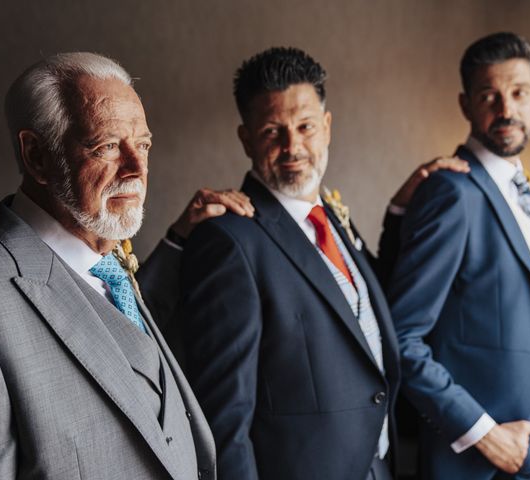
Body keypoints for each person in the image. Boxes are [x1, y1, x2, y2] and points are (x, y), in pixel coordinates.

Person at [166, 46, 471, 480]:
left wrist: (404, 211)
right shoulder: (228, 240)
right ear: (246, 138)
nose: (293, 146)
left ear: (326, 127)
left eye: (305, 126)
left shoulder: (331, 217)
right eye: (273, 131)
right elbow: (223, 417)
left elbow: (365, 311)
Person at [0, 52, 252, 479]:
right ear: (36, 156)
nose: (138, 168)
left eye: (142, 145)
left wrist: (178, 237)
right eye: (106, 146)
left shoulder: (110, 264)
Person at [385, 32, 530, 479]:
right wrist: (484, 434)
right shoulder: (452, 192)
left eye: (518, 93)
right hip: (493, 448)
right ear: (465, 105)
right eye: (489, 95)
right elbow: (403, 337)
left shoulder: (519, 191)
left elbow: (513, 277)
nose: (506, 110)